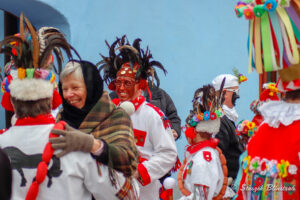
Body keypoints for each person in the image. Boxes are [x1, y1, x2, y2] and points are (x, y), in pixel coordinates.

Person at [0, 15, 138, 200]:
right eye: (65, 89)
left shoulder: (114, 118)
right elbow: (123, 194)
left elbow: (127, 159)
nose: (69, 94)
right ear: (52, 97)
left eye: (75, 88)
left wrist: (96, 146)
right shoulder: (72, 142)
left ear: (12, 101)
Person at [99, 36, 178, 200]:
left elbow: (168, 154)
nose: (120, 88)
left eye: (127, 83)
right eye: (117, 83)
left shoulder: (152, 115)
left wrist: (138, 172)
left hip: (144, 193)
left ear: (140, 85)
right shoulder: (107, 113)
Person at [177, 84, 231, 200]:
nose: (186, 133)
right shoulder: (199, 154)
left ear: (197, 132)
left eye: (188, 129)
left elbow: (201, 197)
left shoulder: (203, 159)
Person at [212, 74, 244, 181]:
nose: (238, 96)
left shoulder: (227, 117)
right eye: (236, 92)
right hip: (227, 182)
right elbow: (219, 154)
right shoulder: (220, 120)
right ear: (224, 93)